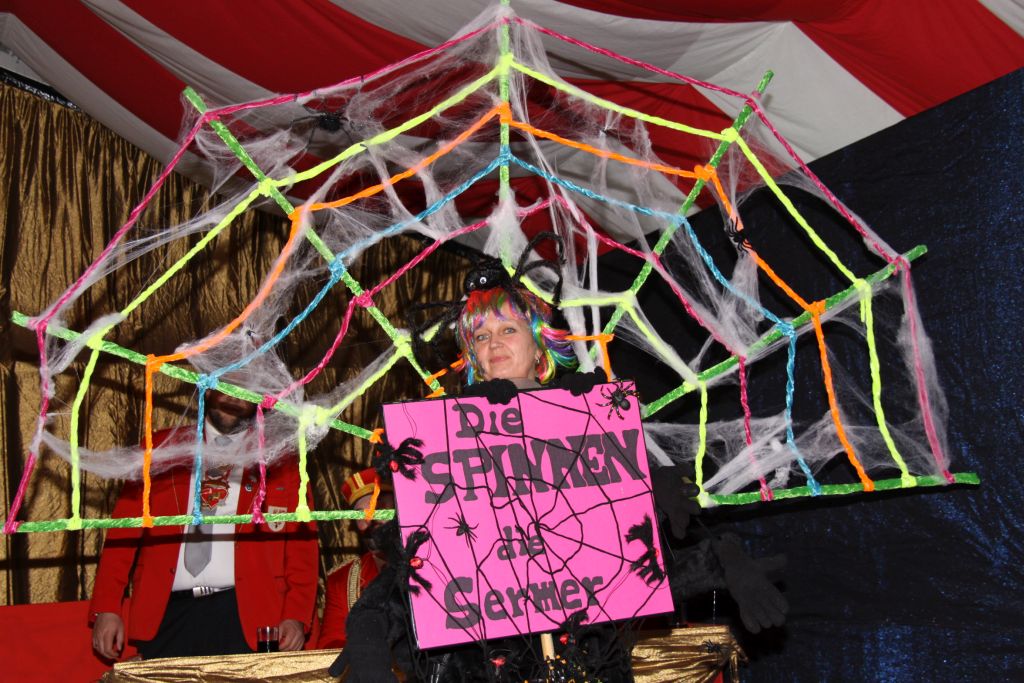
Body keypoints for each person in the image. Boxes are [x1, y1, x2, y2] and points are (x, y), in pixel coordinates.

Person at [90, 389, 319, 660]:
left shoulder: (282, 460)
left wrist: (295, 616)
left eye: (246, 386)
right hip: (167, 614)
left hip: (248, 617)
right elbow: (123, 533)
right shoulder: (160, 448)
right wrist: (106, 607)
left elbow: (302, 550)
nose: (235, 394)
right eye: (227, 383)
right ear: (207, 387)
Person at [318, 468, 394, 649]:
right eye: (360, 514)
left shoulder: (432, 563)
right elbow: (331, 646)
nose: (369, 520)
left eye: (377, 509)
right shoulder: (342, 582)